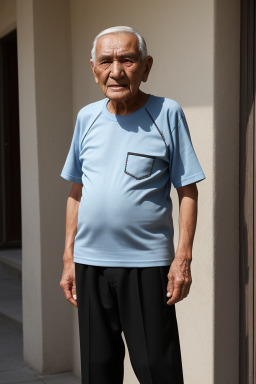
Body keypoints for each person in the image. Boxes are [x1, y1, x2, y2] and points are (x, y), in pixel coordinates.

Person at [59, 25, 206, 384]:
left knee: (159, 371)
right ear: (94, 69)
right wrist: (68, 258)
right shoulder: (86, 118)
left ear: (146, 66)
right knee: (97, 372)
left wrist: (182, 259)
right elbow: (76, 192)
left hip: (146, 267)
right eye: (106, 61)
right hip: (90, 265)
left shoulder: (166, 113)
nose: (116, 71)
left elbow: (187, 191)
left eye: (127, 59)